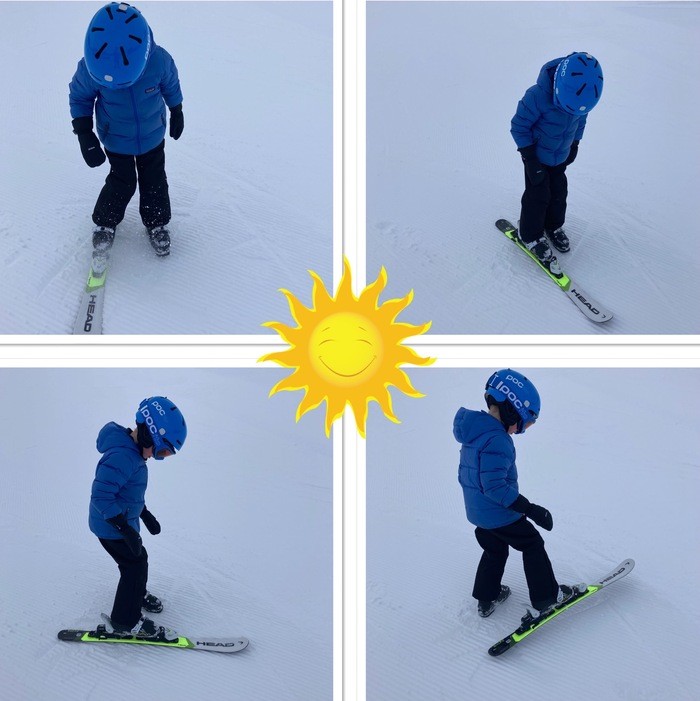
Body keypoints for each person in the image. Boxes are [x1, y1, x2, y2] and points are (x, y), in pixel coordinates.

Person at [453, 369, 581, 618]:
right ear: (512, 410)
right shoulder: (497, 440)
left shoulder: (474, 433)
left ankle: (486, 597)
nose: (518, 432)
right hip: (499, 513)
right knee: (532, 544)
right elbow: (494, 487)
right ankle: (547, 597)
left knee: (495, 549)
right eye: (521, 425)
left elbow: (467, 476)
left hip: (478, 513)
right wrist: (530, 509)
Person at [69, 2, 184, 274]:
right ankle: (105, 222)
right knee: (122, 181)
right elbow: (80, 96)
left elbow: (171, 83)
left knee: (154, 178)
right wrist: (84, 132)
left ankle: (156, 222)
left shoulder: (158, 60)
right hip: (116, 138)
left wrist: (177, 108)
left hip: (152, 135)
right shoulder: (90, 67)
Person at [89, 396, 187, 641]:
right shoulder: (123, 457)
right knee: (134, 566)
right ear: (147, 434)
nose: (160, 457)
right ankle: (125, 621)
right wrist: (125, 528)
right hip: (110, 526)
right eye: (162, 450)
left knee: (138, 560)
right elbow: (101, 496)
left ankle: (136, 594)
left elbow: (127, 492)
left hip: (121, 523)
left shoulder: (132, 453)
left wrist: (144, 514)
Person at [510, 53, 603, 275]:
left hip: (560, 156)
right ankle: (531, 235)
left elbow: (580, 120)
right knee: (538, 195)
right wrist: (530, 159)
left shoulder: (579, 98)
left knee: (559, 192)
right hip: (537, 158)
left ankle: (552, 225)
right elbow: (518, 127)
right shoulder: (537, 96)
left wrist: (575, 144)